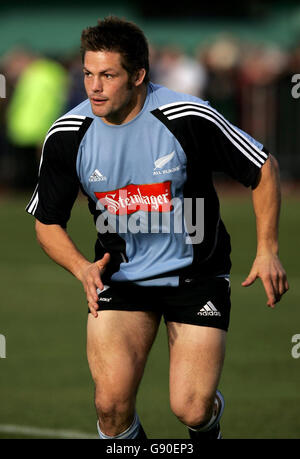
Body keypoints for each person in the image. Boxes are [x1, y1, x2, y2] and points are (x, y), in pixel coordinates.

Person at [26, 16, 289, 440]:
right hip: (121, 278)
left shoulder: (186, 116)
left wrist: (267, 249)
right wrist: (82, 268)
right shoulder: (69, 134)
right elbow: (47, 223)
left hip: (196, 277)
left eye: (108, 75)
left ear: (138, 76)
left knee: (191, 407)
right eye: (89, 74)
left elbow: (263, 167)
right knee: (110, 408)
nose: (94, 86)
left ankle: (209, 420)